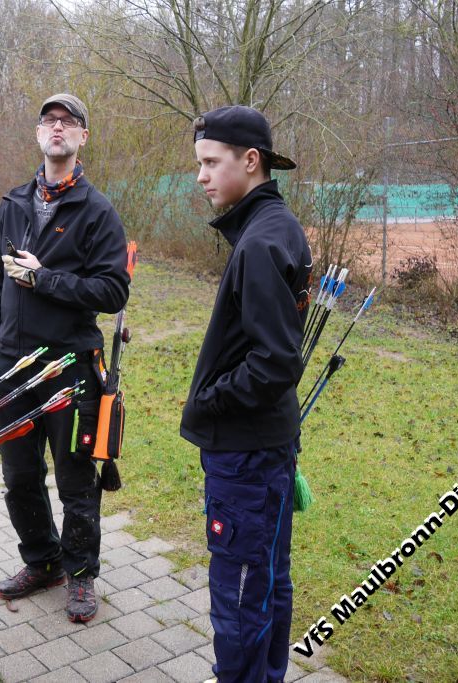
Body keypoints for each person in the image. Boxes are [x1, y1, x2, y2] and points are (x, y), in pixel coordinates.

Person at [0, 93, 130, 622]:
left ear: (83, 136)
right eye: (49, 120)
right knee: (19, 476)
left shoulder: (98, 210)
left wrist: (44, 279)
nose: (58, 127)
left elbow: (113, 291)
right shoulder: (13, 203)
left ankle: (81, 574)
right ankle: (42, 561)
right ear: (38, 134)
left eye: (68, 121)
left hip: (70, 368)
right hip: (11, 369)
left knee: (75, 478)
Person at [180, 105, 312, 683]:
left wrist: (210, 400)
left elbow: (276, 361)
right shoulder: (277, 227)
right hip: (267, 446)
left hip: (246, 455)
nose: (201, 176)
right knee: (268, 582)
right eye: (200, 164)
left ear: (250, 161)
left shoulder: (260, 241)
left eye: (212, 163)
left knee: (239, 597)